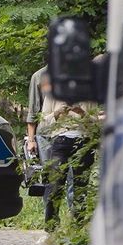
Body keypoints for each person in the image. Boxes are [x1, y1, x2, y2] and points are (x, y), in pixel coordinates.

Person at [29, 66, 97, 226]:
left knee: (81, 184)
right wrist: (58, 113)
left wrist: (82, 113)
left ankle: (78, 225)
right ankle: (51, 224)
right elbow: (43, 121)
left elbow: (95, 123)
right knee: (56, 182)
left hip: (83, 141)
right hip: (60, 140)